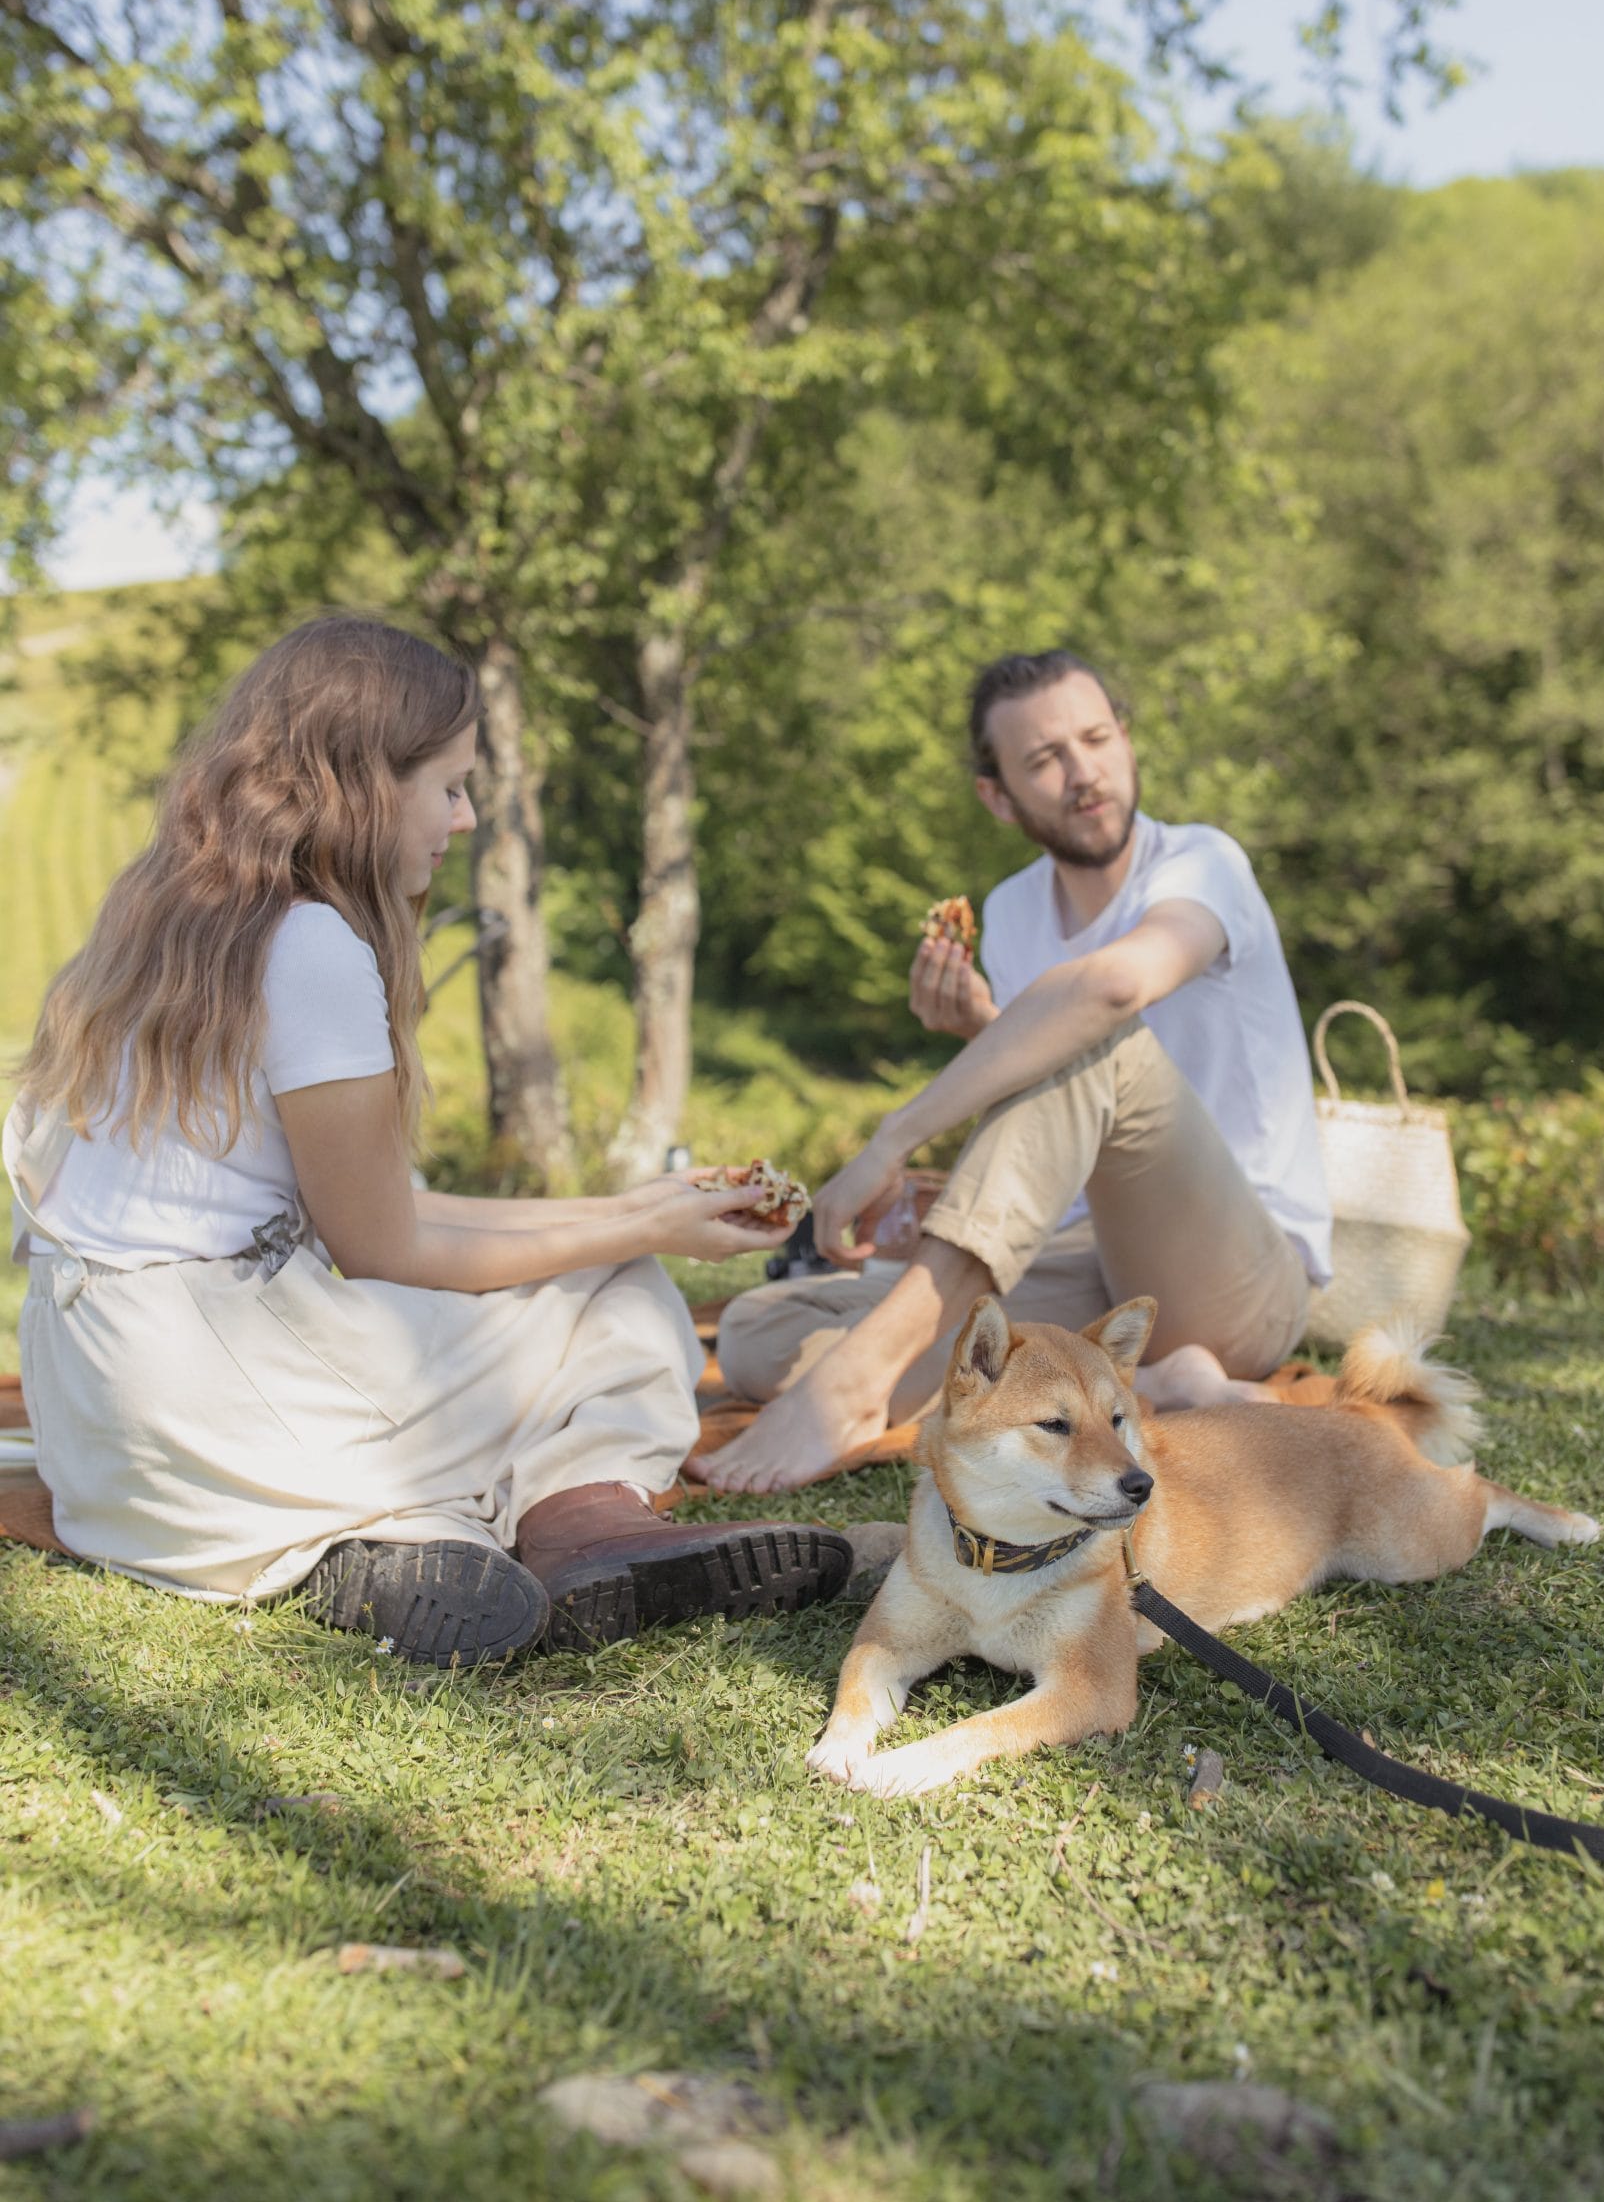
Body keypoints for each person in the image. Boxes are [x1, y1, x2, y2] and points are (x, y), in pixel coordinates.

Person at [3, 618, 850, 1663]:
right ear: (362, 785)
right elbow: (388, 1246)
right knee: (628, 1294)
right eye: (448, 786)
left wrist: (643, 1206)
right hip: (212, 1385)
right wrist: (637, 1240)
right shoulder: (307, 940)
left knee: (612, 1257)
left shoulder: (169, 917)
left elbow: (375, 1208)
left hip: (106, 1431)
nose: (466, 816)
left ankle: (396, 1543)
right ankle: (586, 1521)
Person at [690, 647, 1333, 1493]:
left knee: (1090, 1031)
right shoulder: (1011, 909)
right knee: (759, 1330)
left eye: (1096, 739)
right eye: (1043, 759)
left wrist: (893, 1141)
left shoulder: (1202, 863)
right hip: (1088, 1257)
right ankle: (1159, 1388)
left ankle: (854, 1387)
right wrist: (984, 1032)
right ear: (997, 795)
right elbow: (1062, 1114)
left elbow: (1109, 992)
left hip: (1235, 1275)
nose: (1083, 772)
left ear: (1127, 741)